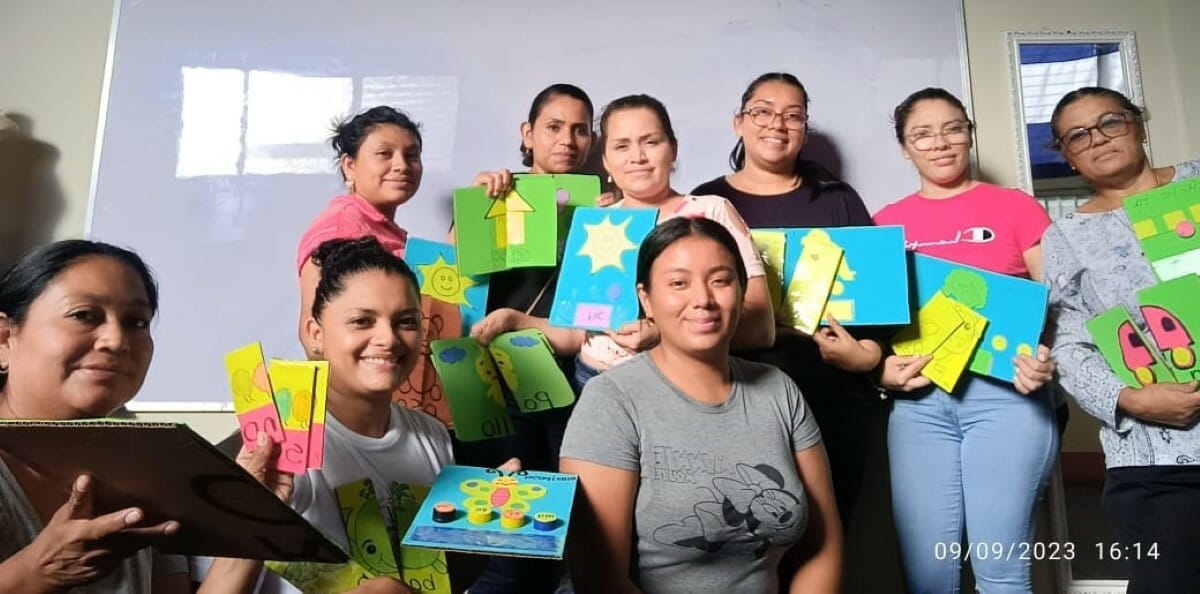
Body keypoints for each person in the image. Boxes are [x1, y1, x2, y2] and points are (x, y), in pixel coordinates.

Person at [560, 217, 842, 594]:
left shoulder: (779, 391)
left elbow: (823, 547)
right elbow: (599, 577)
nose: (703, 300)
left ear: (742, 291)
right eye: (679, 283)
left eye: (721, 280)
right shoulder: (611, 400)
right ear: (646, 299)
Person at [0, 240, 289, 593]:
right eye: (84, 315)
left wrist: (247, 518)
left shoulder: (148, 470)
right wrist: (37, 572)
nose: (116, 340)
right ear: (4, 338)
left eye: (136, 322)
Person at [873, 87, 1057, 593]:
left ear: (969, 134)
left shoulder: (1015, 207)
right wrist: (881, 369)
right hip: (919, 405)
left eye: (953, 128)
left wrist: (1046, 355)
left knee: (1000, 572)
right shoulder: (883, 224)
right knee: (928, 576)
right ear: (904, 147)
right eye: (922, 134)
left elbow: (1055, 304)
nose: (940, 143)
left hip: (1006, 398)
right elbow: (876, 324)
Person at [693, 72, 886, 529]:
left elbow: (880, 300)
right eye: (762, 111)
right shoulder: (705, 202)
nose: (776, 124)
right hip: (733, 396)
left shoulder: (838, 200)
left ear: (804, 128)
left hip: (831, 395)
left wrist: (870, 354)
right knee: (747, 536)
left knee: (827, 530)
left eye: (793, 115)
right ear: (738, 122)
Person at [1041, 86, 1200, 593]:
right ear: (1067, 155)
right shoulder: (1063, 236)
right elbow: (1067, 342)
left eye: (1111, 121)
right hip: (1153, 457)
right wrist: (1130, 398)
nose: (1098, 139)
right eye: (1078, 135)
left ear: (1139, 125)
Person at [455, 83, 600, 594]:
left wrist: (608, 221)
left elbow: (598, 316)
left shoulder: (601, 209)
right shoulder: (496, 195)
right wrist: (473, 210)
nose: (567, 139)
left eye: (580, 129)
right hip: (492, 381)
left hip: (570, 380)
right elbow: (450, 285)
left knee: (562, 519)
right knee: (500, 520)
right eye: (554, 127)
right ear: (528, 133)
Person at [572, 93, 775, 390]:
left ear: (673, 149)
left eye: (651, 142)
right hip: (591, 380)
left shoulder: (712, 211)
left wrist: (663, 336)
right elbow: (575, 324)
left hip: (678, 382)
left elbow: (761, 328)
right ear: (605, 160)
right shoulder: (595, 222)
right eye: (621, 146)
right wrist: (514, 320)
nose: (637, 157)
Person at [296, 105, 426, 357]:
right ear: (349, 165)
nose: (401, 165)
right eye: (384, 153)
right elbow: (313, 332)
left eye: (412, 155)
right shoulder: (341, 228)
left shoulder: (380, 228)